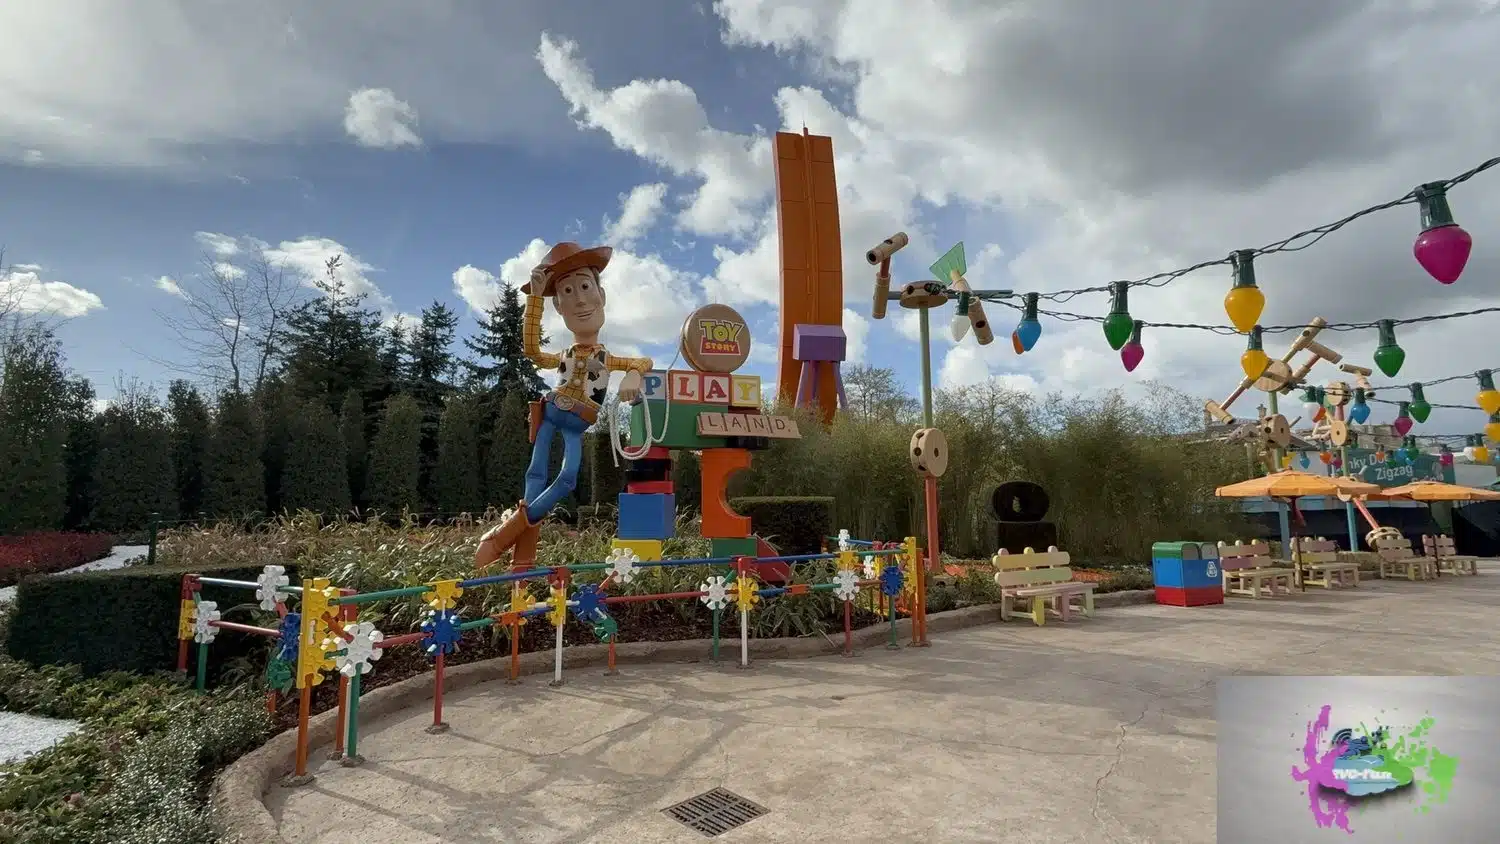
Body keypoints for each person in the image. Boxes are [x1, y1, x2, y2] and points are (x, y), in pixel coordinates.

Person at [475, 242, 652, 568]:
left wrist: (632, 376)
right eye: (567, 292)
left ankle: (507, 532)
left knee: (568, 477)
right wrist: (534, 298)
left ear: (601, 295)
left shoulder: (608, 358)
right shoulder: (563, 355)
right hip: (552, 413)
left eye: (585, 287)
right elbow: (533, 352)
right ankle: (521, 566)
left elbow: (642, 361)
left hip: (578, 423)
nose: (580, 300)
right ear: (558, 306)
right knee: (535, 475)